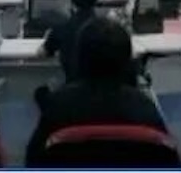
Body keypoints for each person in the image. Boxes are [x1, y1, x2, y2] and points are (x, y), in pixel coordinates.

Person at [25, 18, 167, 165]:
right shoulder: (145, 110)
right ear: (128, 60)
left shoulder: (58, 108)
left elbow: (33, 161)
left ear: (79, 58)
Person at [38, 0, 98, 83]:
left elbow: (41, 53)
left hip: (72, 88)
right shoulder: (108, 28)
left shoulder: (62, 28)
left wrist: (49, 38)